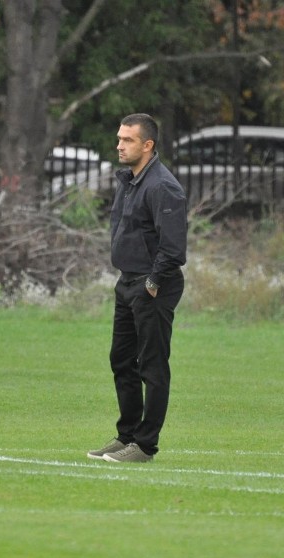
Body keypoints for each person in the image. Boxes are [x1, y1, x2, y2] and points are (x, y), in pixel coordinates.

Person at [88, 113, 188, 463]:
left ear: (148, 145)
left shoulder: (163, 186)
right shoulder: (129, 181)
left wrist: (152, 282)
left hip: (152, 284)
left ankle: (145, 445)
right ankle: (126, 435)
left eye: (127, 140)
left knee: (153, 365)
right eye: (119, 138)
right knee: (121, 359)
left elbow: (173, 248)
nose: (119, 145)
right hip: (126, 281)